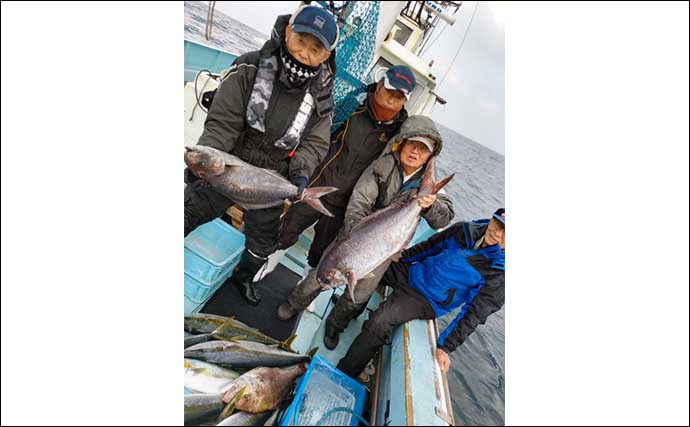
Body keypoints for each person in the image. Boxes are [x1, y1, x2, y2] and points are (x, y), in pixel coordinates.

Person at [183, 6, 338, 305]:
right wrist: (205, 160)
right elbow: (222, 124)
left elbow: (315, 144)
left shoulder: (322, 102)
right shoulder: (249, 67)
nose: (304, 53)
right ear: (287, 32)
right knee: (185, 210)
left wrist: (301, 175)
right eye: (301, 40)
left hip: (272, 178)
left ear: (325, 56)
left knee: (263, 244)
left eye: (315, 48)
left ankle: (242, 278)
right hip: (228, 161)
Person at [275, 115, 455, 351]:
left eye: (423, 149)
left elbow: (446, 216)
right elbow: (360, 200)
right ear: (402, 143)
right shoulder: (382, 165)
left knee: (358, 294)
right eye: (412, 144)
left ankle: (334, 325)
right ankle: (293, 303)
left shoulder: (429, 185)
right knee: (322, 272)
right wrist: (354, 232)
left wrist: (429, 205)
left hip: (386, 247)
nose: (415, 152)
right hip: (355, 234)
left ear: (429, 156)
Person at [253, 65, 416, 283]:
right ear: (379, 85)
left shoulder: (400, 133)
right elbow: (319, 135)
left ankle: (306, 280)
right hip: (318, 183)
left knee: (323, 246)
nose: (391, 100)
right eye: (389, 91)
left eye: (398, 97)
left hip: (348, 200)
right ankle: (270, 262)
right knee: (289, 228)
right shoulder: (352, 105)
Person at [336, 208, 506, 379]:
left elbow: (474, 314)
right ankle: (344, 317)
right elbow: (431, 246)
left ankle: (344, 373)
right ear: (492, 219)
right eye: (498, 225)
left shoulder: (499, 273)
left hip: (427, 299)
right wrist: (403, 257)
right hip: (415, 271)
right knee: (370, 270)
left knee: (379, 321)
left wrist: (446, 346)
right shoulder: (465, 230)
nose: (498, 234)